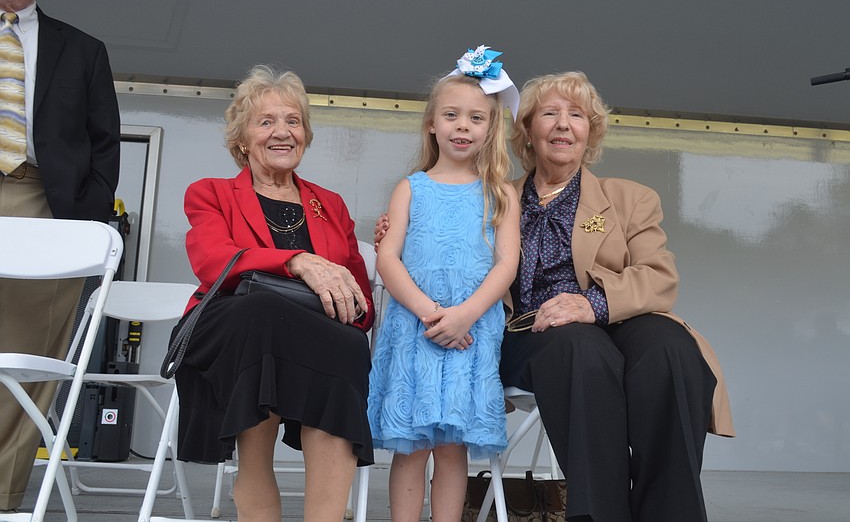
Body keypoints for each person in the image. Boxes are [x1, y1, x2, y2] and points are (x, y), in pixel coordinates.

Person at [376, 71, 734, 522]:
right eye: (550, 113)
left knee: (672, 350)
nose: (564, 124)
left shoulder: (631, 198)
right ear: (526, 130)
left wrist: (593, 304)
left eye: (577, 115)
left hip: (617, 320)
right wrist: (396, 233)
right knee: (578, 348)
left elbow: (659, 277)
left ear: (591, 130)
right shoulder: (500, 197)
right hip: (534, 333)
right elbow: (439, 236)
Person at [172, 65, 374, 522]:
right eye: (266, 122)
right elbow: (213, 262)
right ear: (243, 137)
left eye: (293, 121)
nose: (282, 132)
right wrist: (296, 261)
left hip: (312, 339)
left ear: (305, 134)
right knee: (263, 312)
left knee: (346, 341)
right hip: (227, 326)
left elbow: (358, 296)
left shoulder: (331, 204)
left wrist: (352, 311)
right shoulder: (211, 193)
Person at [367, 46, 521, 522]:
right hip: (415, 331)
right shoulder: (410, 187)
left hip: (470, 334)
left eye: (476, 118)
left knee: (452, 447)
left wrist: (464, 315)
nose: (462, 126)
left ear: (490, 128)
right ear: (432, 123)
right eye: (451, 115)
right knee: (411, 446)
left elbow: (506, 265)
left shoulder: (501, 194)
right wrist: (431, 313)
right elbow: (388, 259)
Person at [0, 0, 120, 512]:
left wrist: (80, 222)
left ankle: (2, 498)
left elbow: (104, 146)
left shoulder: (83, 50)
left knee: (24, 367)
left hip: (45, 210)